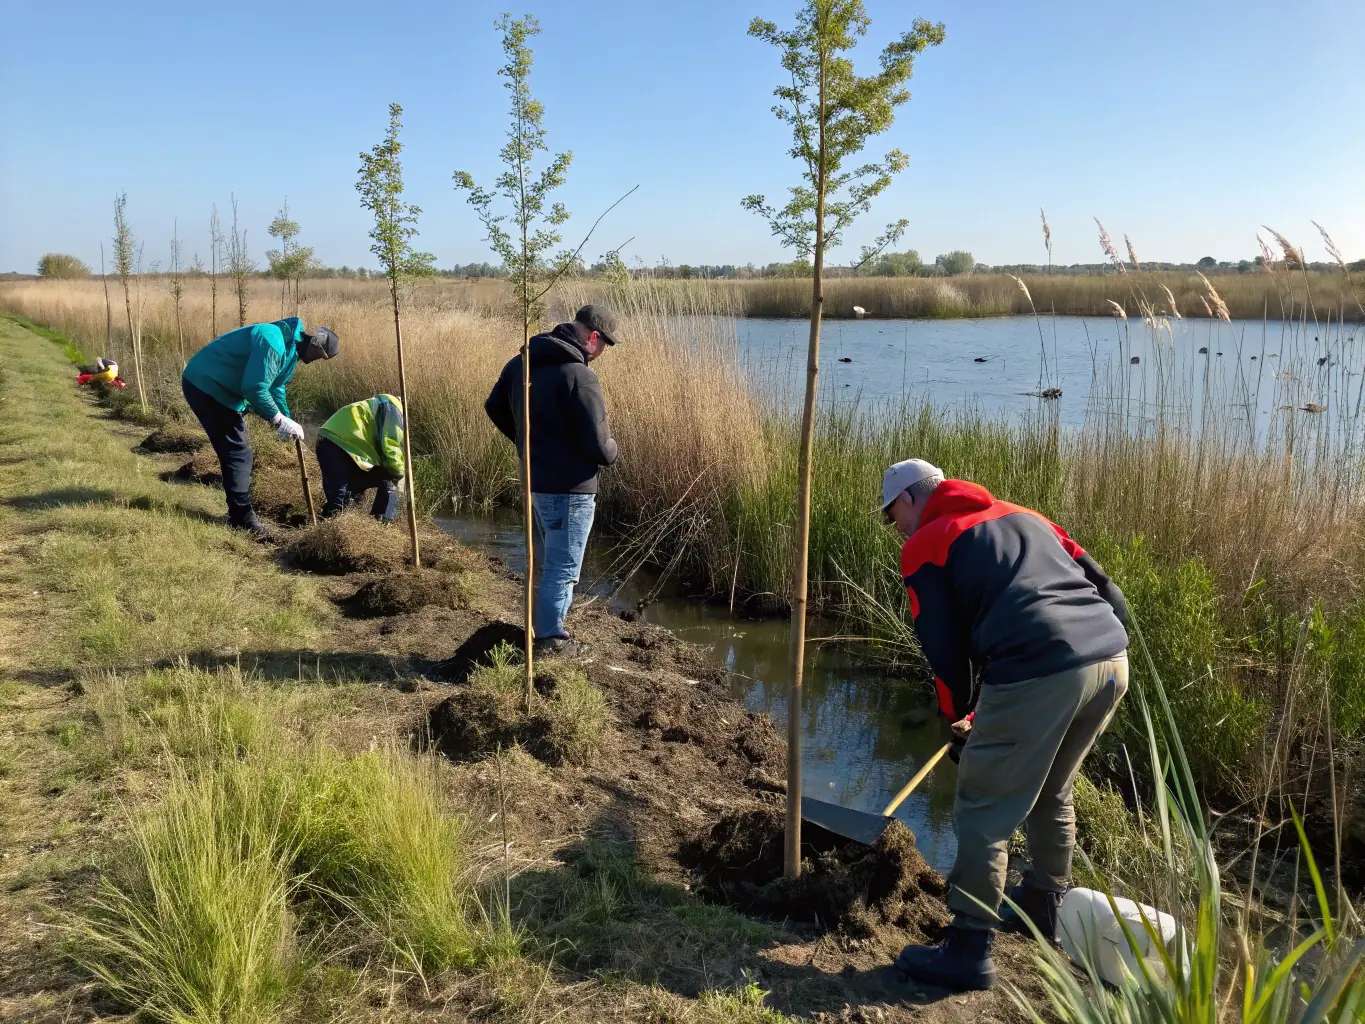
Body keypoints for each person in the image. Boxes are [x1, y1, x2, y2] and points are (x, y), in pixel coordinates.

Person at [879, 458, 1130, 992]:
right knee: (1051, 786)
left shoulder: (926, 542)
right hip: (1110, 660)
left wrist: (956, 720)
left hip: (1040, 667)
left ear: (908, 499)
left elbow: (943, 651)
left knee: (983, 802)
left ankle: (968, 950)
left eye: (892, 514)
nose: (895, 526)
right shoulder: (1027, 515)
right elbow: (1112, 596)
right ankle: (1042, 904)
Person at [485, 304, 620, 657]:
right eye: (605, 343)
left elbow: (494, 406)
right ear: (593, 337)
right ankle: (550, 641)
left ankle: (537, 632)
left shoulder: (521, 364)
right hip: (571, 490)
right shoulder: (580, 375)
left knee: (543, 561)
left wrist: (526, 442)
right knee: (562, 568)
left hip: (535, 481)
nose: (603, 351)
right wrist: (613, 449)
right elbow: (601, 448)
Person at [182, 318, 338, 538]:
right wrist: (277, 419)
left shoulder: (291, 351)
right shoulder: (272, 339)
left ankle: (239, 513)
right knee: (238, 453)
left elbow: (276, 388)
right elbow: (255, 388)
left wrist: (287, 419)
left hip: (219, 389)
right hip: (207, 384)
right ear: (315, 344)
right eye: (320, 356)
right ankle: (241, 517)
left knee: (236, 452)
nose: (316, 361)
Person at [316, 393, 405, 522]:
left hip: (344, 447)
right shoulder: (394, 406)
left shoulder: (382, 404)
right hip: (335, 444)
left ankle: (377, 524)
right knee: (339, 503)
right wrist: (400, 474)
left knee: (351, 497)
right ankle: (379, 523)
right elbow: (391, 444)